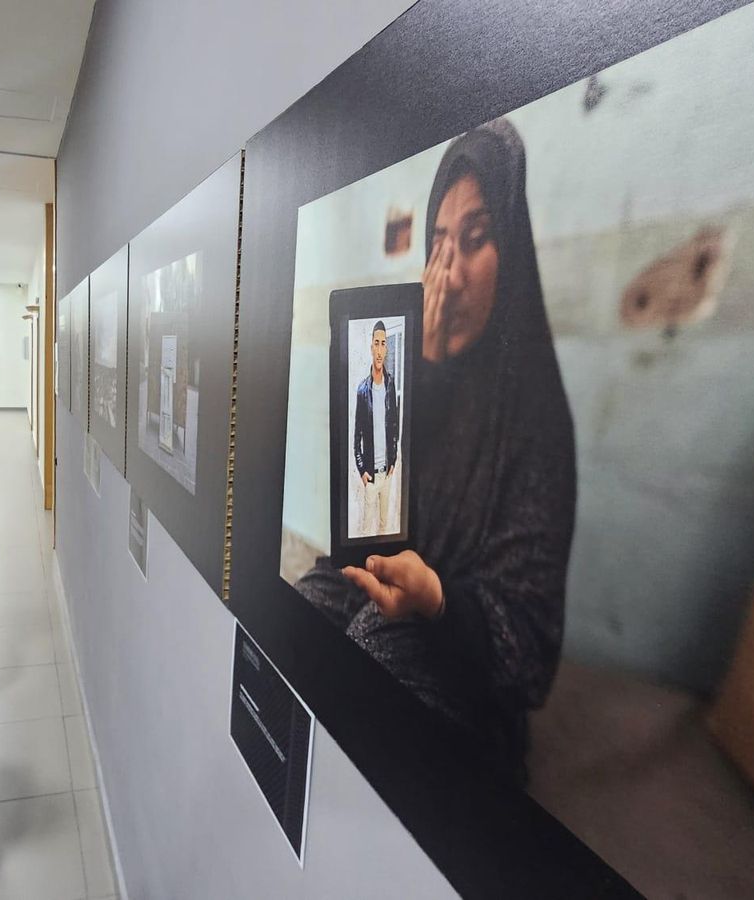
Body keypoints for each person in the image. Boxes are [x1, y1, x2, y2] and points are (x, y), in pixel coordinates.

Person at [296, 119, 576, 782]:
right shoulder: (408, 366)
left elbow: (528, 656)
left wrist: (440, 600)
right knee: (304, 609)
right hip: (387, 589)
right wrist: (414, 382)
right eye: (439, 241)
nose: (447, 271)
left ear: (511, 258)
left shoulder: (535, 418)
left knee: (373, 643)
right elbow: (366, 536)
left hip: (464, 657)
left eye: (476, 240)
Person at [353, 320, 400, 536]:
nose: (379, 349)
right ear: (371, 347)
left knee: (384, 527)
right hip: (370, 477)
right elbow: (356, 438)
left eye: (383, 343)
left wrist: (393, 460)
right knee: (365, 529)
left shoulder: (390, 386)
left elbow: (394, 424)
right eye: (376, 343)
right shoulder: (363, 391)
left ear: (386, 348)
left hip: (387, 476)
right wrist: (363, 470)